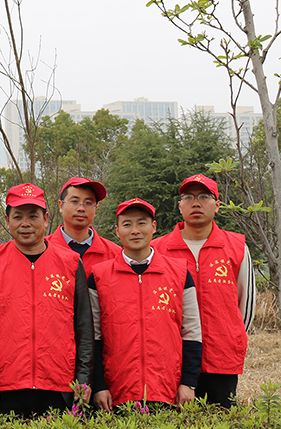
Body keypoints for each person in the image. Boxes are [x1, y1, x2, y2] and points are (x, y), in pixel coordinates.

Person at [0, 184, 93, 417]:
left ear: (46, 220)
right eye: (17, 217)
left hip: (60, 383)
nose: (25, 224)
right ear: (7, 221)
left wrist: (84, 377)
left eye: (33, 216)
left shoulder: (70, 262)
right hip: (8, 384)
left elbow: (84, 326)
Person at [151, 174, 255, 408]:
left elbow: (245, 307)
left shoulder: (237, 247)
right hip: (171, 359)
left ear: (217, 205)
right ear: (180, 206)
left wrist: (230, 337)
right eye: (188, 197)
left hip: (221, 358)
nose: (195, 203)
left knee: (221, 422)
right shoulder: (158, 249)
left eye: (204, 197)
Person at [90, 198, 202, 411]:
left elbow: (192, 332)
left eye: (142, 223)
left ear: (153, 227)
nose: (135, 230)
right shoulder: (99, 276)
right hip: (116, 393)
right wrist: (99, 386)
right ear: (117, 231)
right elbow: (94, 337)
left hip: (167, 390)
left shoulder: (179, 273)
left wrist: (188, 382)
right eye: (127, 224)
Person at [45, 177, 121, 276]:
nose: (81, 208)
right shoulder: (42, 249)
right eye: (74, 201)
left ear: (96, 208)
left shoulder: (115, 254)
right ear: (61, 206)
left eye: (88, 203)